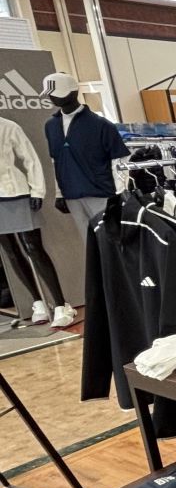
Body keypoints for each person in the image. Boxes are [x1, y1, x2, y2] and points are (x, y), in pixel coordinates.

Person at [0, 114, 74, 326]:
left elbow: (29, 158)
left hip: (16, 193)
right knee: (11, 253)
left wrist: (37, 191)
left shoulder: (8, 126)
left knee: (34, 248)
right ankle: (38, 302)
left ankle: (60, 304)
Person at [41, 72, 128, 239]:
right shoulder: (51, 126)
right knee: (88, 241)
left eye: (56, 93)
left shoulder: (101, 124)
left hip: (102, 192)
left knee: (110, 240)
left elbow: (119, 160)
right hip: (71, 193)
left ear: (74, 92)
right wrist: (59, 193)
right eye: (50, 94)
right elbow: (55, 161)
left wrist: (119, 192)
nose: (52, 98)